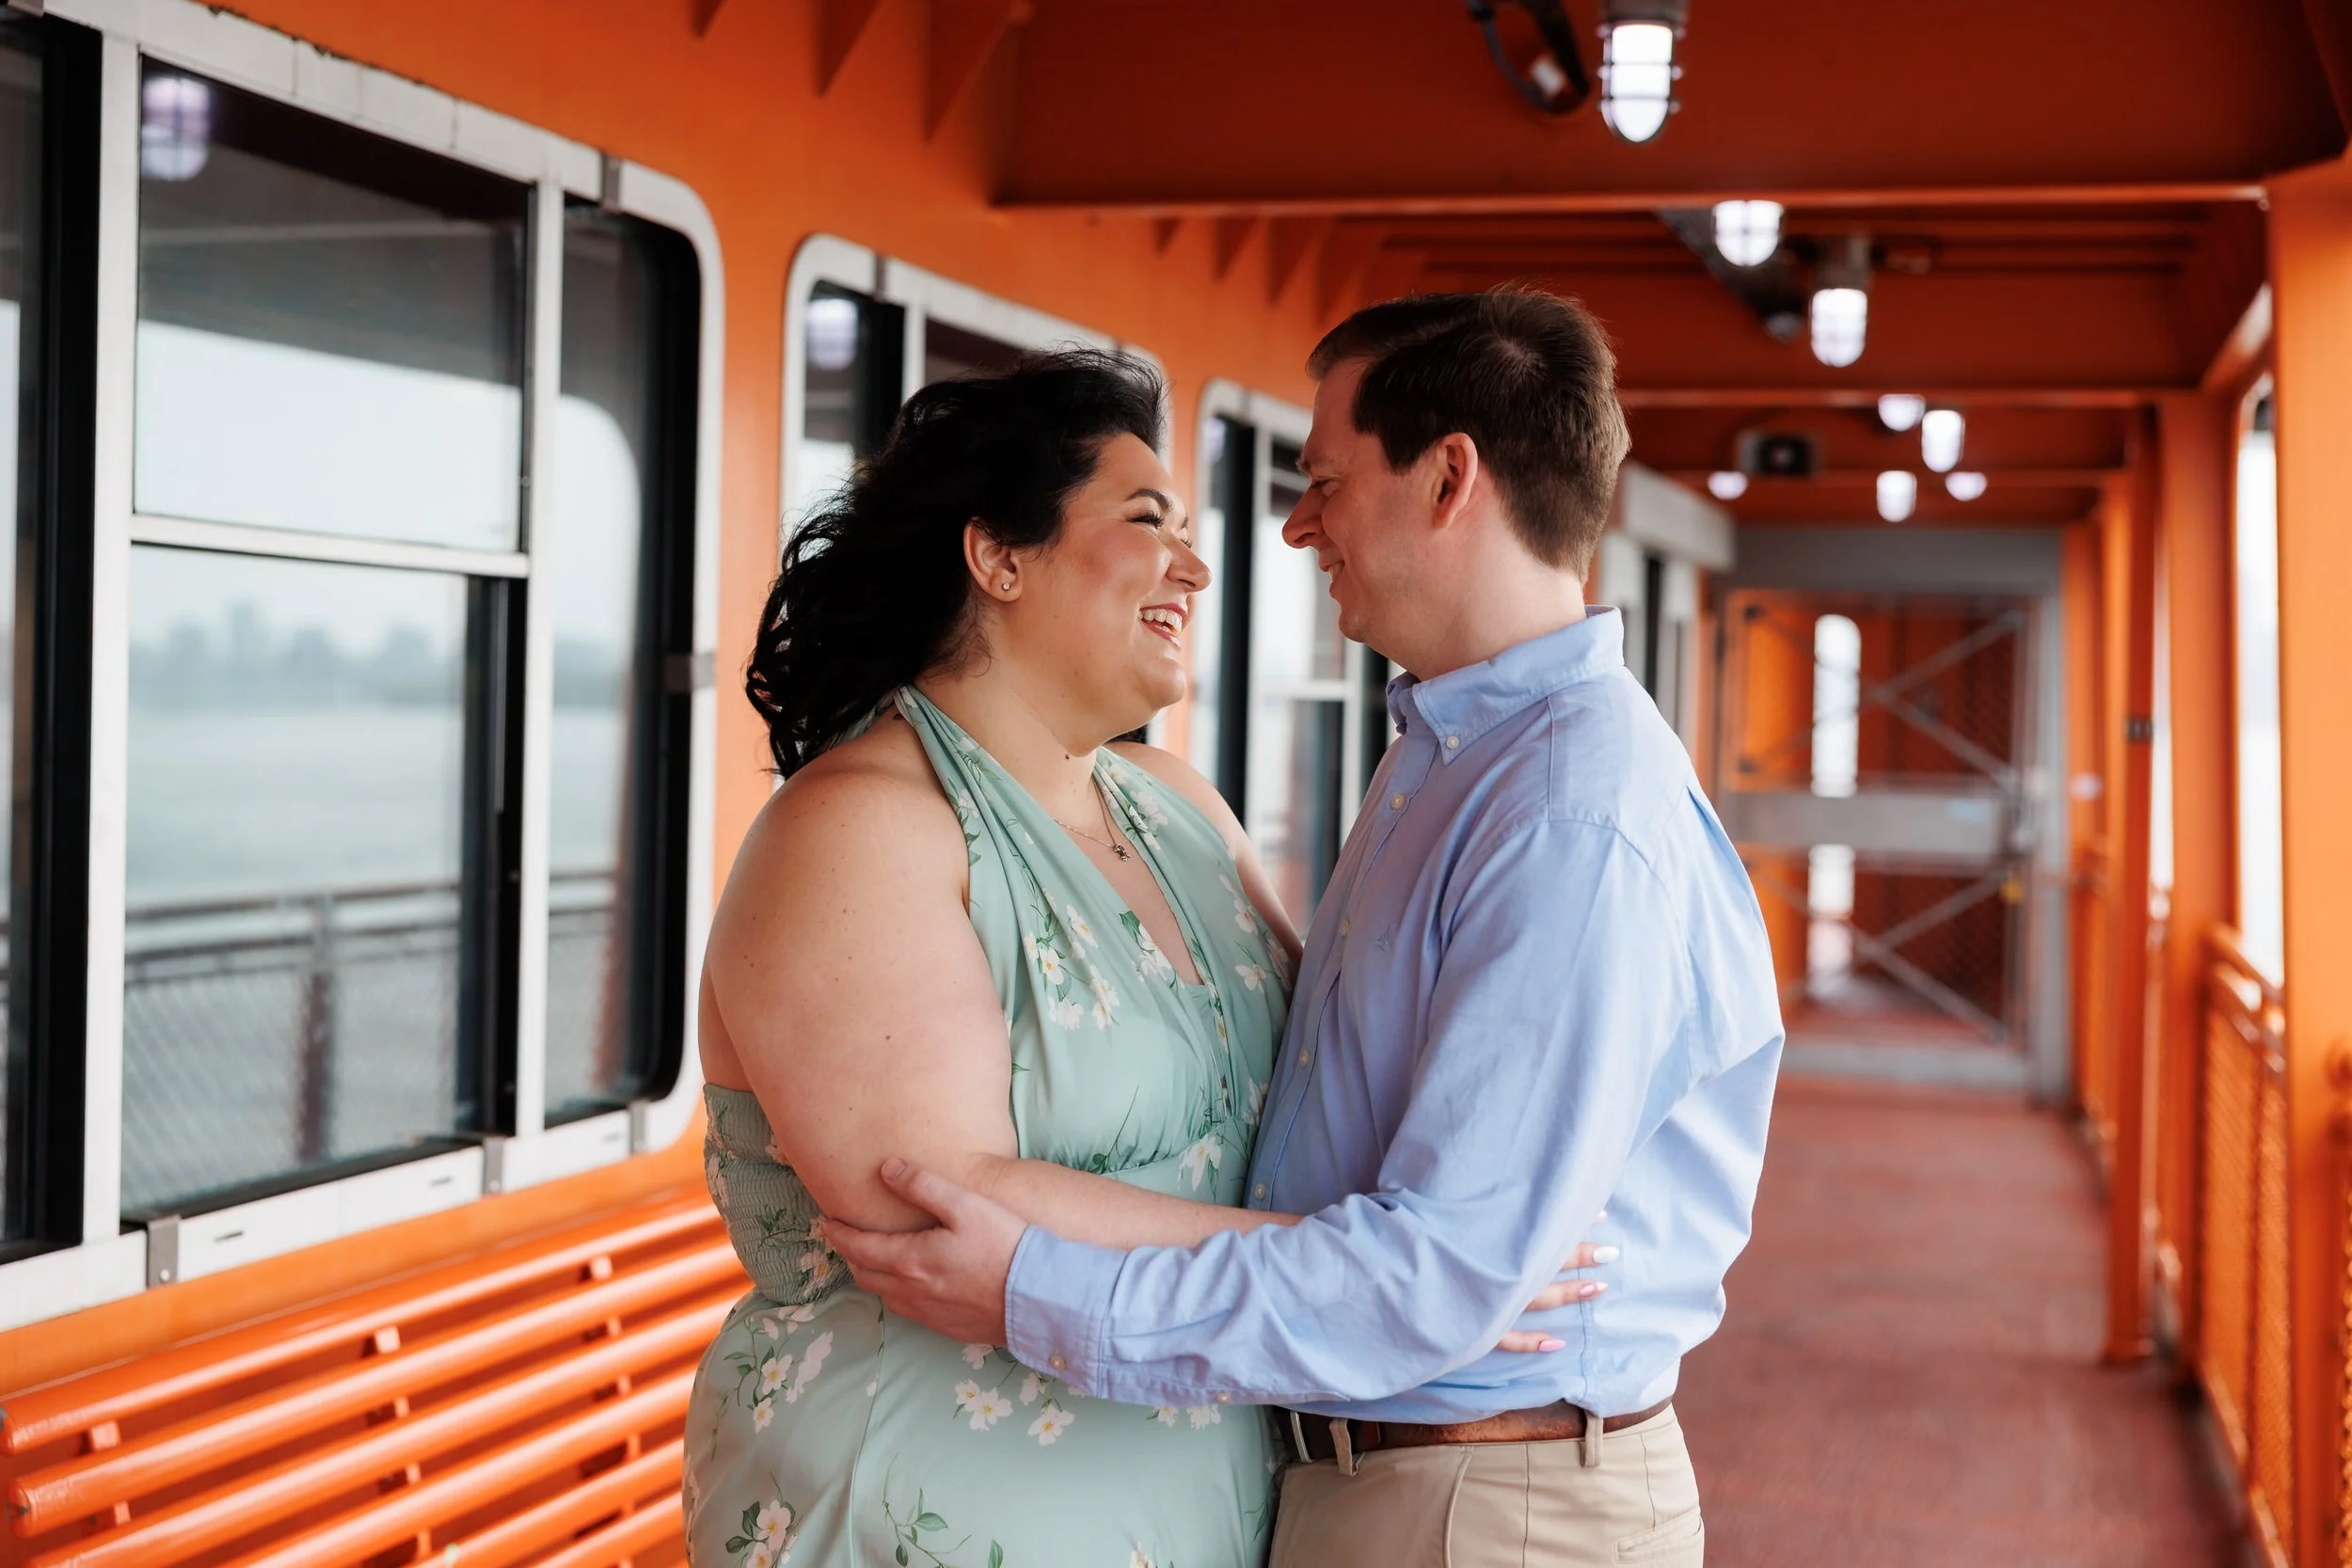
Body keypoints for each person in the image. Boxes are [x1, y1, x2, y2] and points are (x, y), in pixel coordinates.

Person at [821, 289, 1787, 1567]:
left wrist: (1043, 1293)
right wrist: (1443, 1284)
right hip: (1391, 1478)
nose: (1292, 522)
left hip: (1485, 1505)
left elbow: (1437, 1280)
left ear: (1450, 480)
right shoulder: (1452, 755)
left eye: (1325, 479)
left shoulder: (1564, 812)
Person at [684, 349, 1596, 1568]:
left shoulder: (1180, 809)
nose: (1197, 564)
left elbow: (1331, 1066)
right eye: (1147, 519)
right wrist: (1400, 1273)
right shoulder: (858, 830)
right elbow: (930, 1192)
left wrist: (1469, 1228)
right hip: (923, 1509)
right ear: (998, 555)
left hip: (1206, 1505)